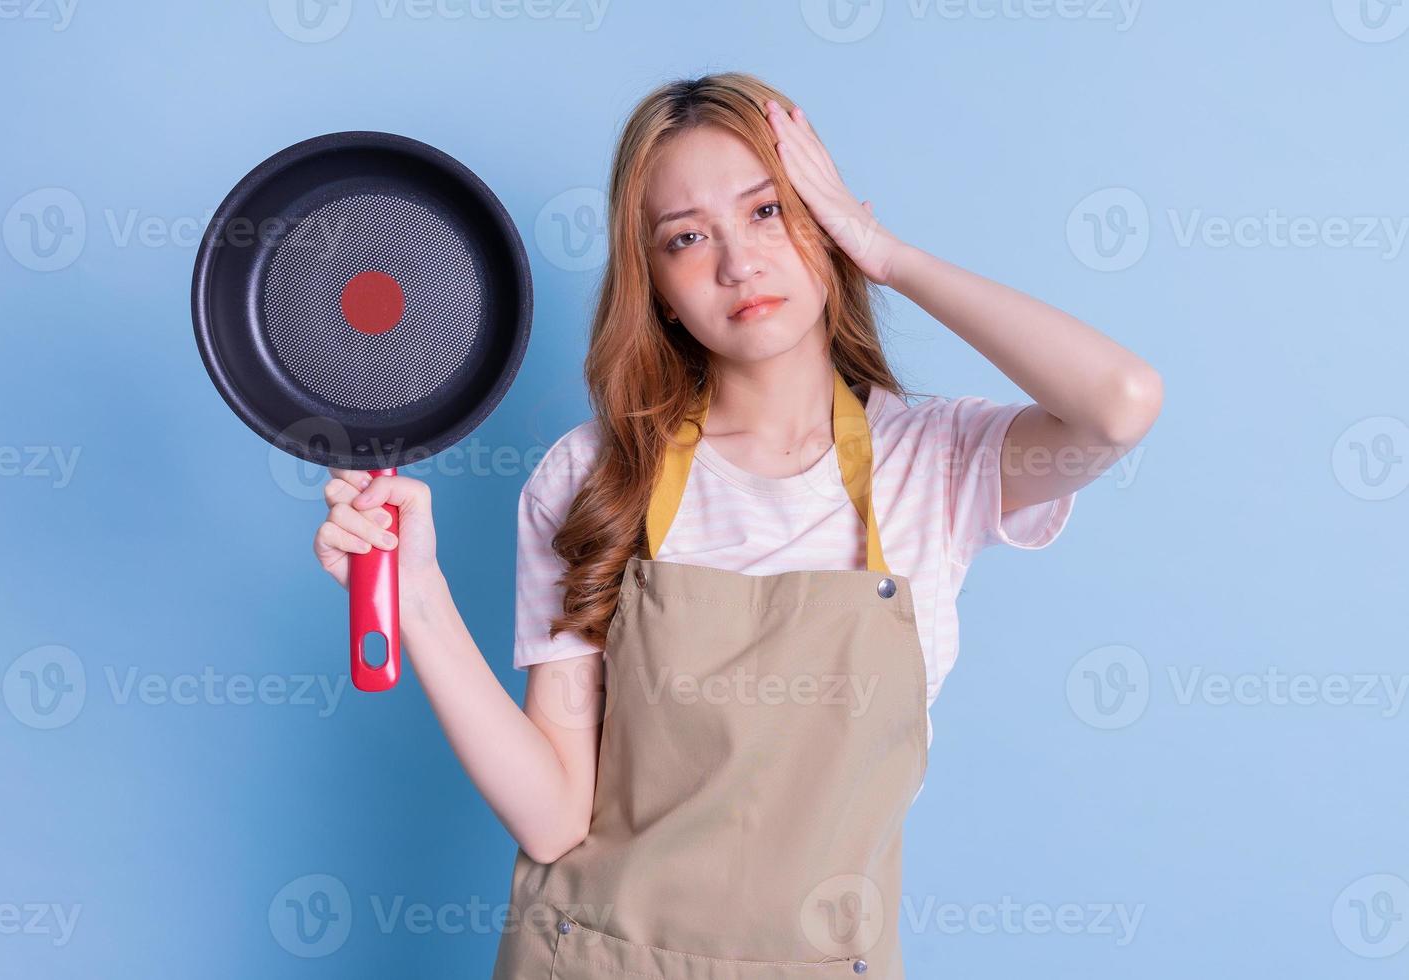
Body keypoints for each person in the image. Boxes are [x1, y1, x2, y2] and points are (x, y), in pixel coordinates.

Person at [311, 71, 1161, 979]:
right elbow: (557, 815)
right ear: (658, 288)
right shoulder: (593, 476)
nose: (737, 262)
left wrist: (886, 252)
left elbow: (1119, 402)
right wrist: (422, 604)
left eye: (767, 212)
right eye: (686, 238)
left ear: (825, 223)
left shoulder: (936, 463)